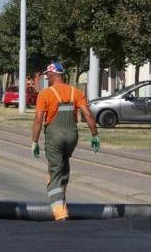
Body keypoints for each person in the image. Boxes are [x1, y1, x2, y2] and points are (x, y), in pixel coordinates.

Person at [31, 62, 100, 221]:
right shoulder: (75, 92)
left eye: (47, 75)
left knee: (54, 171)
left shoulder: (45, 94)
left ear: (53, 75)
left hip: (55, 136)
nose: (46, 77)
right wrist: (94, 135)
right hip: (71, 136)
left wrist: (34, 141)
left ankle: (59, 212)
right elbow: (88, 115)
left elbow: (38, 120)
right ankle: (62, 201)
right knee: (64, 166)